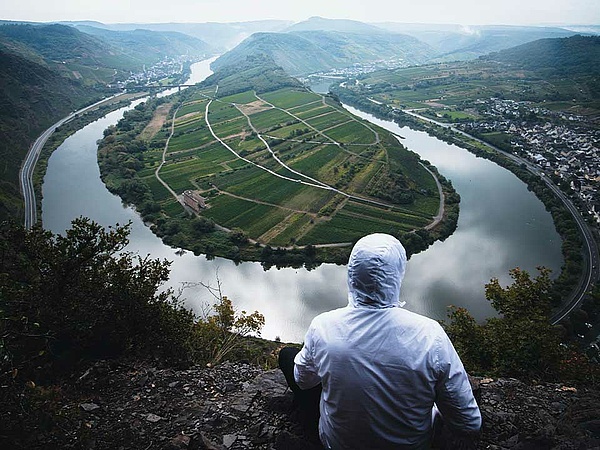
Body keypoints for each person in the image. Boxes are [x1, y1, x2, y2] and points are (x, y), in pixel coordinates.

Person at [279, 233, 481, 449]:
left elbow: (303, 380)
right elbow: (469, 424)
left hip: (337, 444)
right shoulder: (429, 335)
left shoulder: (324, 326)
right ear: (397, 275)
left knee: (287, 356)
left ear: (352, 273)